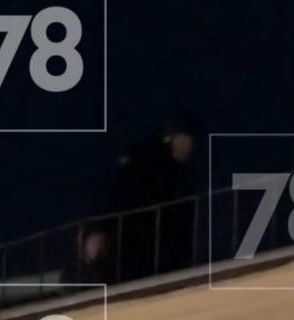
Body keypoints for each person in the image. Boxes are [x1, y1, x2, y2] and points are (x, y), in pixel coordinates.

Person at [68, 115, 198, 284]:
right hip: (133, 248)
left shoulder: (178, 176)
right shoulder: (145, 162)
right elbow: (115, 192)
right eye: (185, 141)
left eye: (191, 143)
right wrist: (97, 228)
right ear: (172, 138)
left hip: (158, 253)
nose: (188, 148)